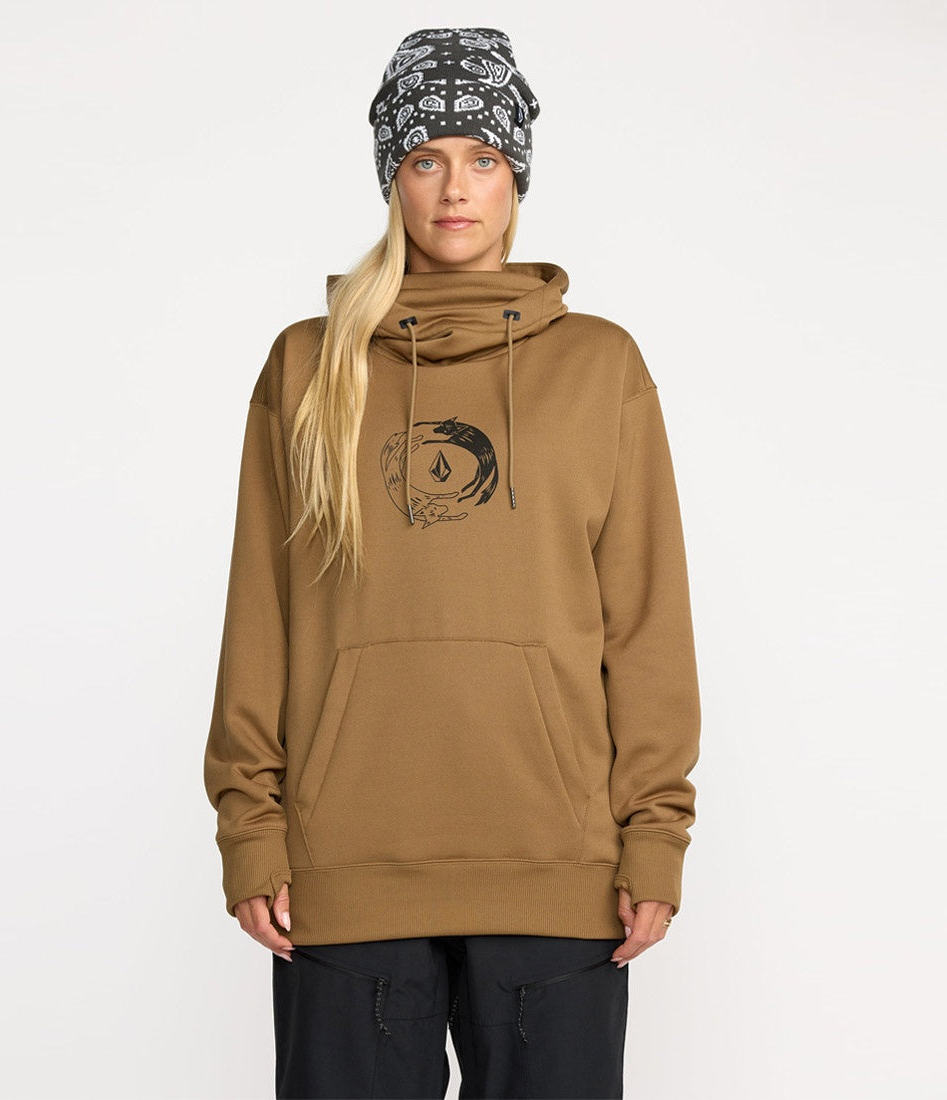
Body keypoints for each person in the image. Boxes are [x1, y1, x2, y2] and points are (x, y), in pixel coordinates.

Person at [203, 26, 702, 1100]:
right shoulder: (306, 364)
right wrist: (251, 827)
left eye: (482, 156)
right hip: (344, 874)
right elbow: (261, 613)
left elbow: (645, 622)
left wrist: (654, 836)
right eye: (425, 158)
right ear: (392, 176)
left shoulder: (599, 365)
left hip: (556, 873)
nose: (455, 187)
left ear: (517, 173)